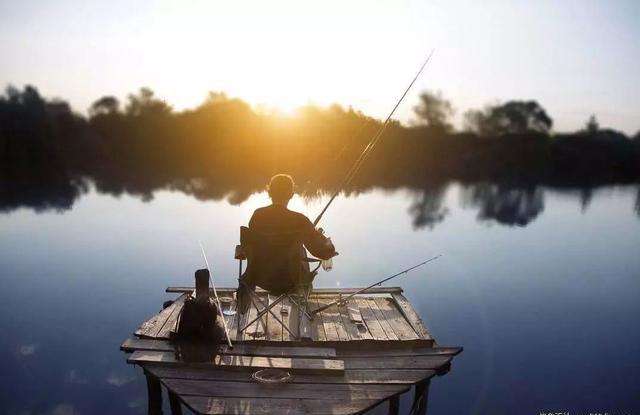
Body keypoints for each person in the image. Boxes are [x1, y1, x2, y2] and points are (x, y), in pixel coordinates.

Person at [238, 174, 337, 307]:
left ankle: (243, 309)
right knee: (301, 250)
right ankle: (301, 306)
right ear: (291, 194)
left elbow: (252, 246)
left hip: (259, 277)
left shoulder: (257, 216)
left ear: (269, 192)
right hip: (291, 281)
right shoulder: (300, 220)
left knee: (297, 248)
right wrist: (324, 239)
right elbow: (324, 252)